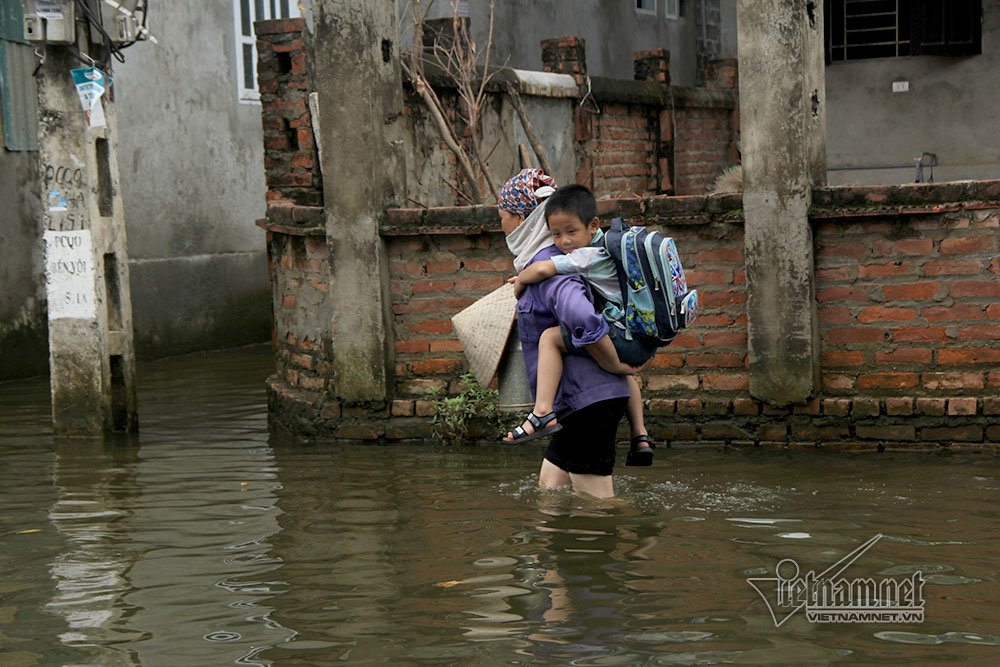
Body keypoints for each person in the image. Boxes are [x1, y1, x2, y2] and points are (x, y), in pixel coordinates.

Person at [497, 169, 630, 499]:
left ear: (519, 219)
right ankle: (555, 551)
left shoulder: (552, 268)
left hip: (588, 401)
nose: (500, 225)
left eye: (501, 217)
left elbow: (582, 315)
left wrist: (612, 361)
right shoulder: (547, 263)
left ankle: (639, 542)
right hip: (573, 403)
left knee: (598, 505)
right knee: (550, 490)